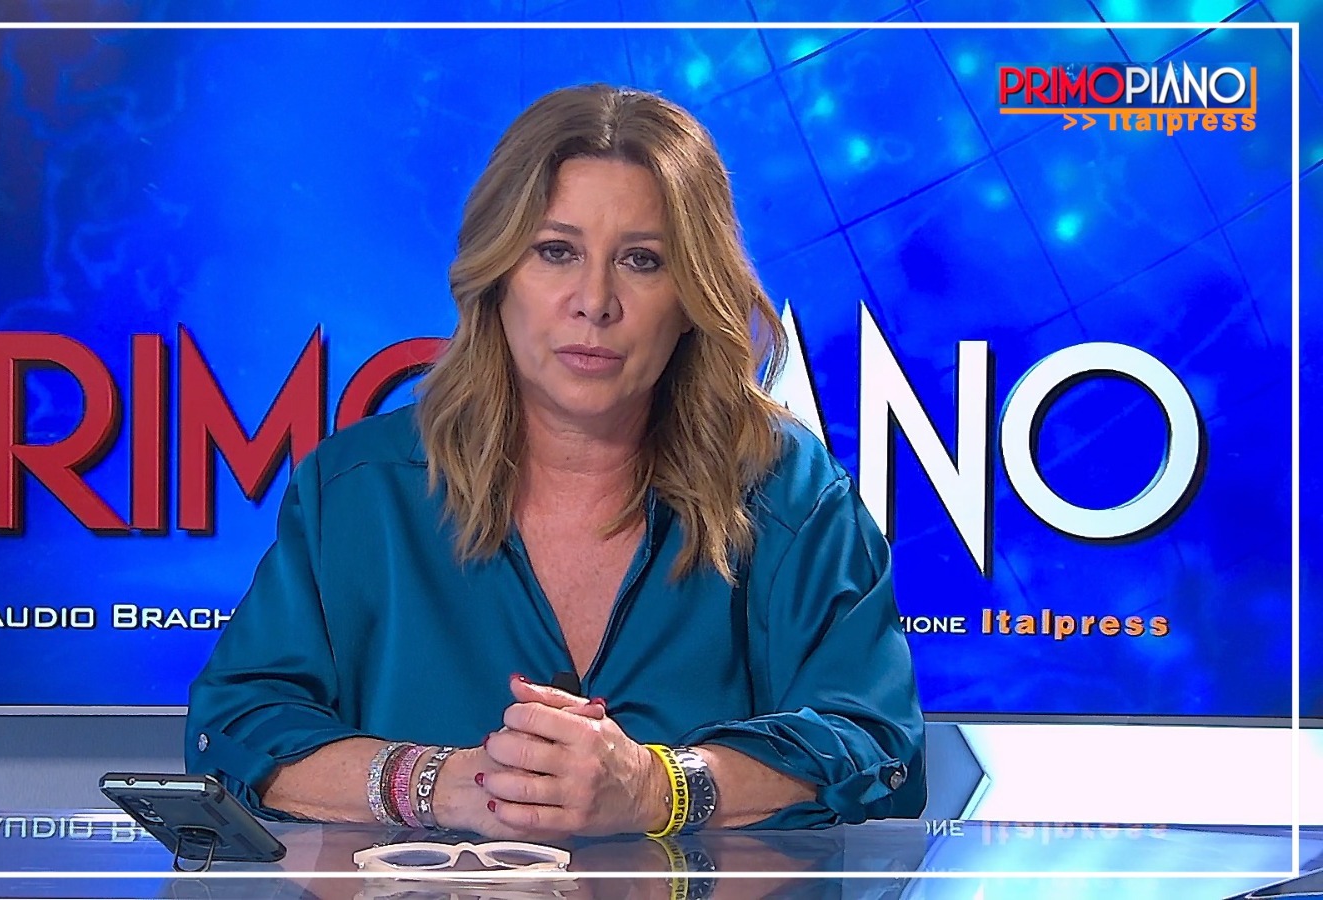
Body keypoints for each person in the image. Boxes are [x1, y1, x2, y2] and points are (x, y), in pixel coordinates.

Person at [185, 83, 924, 839]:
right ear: (498, 274)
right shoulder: (356, 492)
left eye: (642, 260)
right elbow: (236, 730)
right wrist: (439, 785)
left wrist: (659, 789)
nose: (594, 301)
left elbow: (877, 749)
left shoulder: (790, 494)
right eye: (556, 251)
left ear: (692, 296)